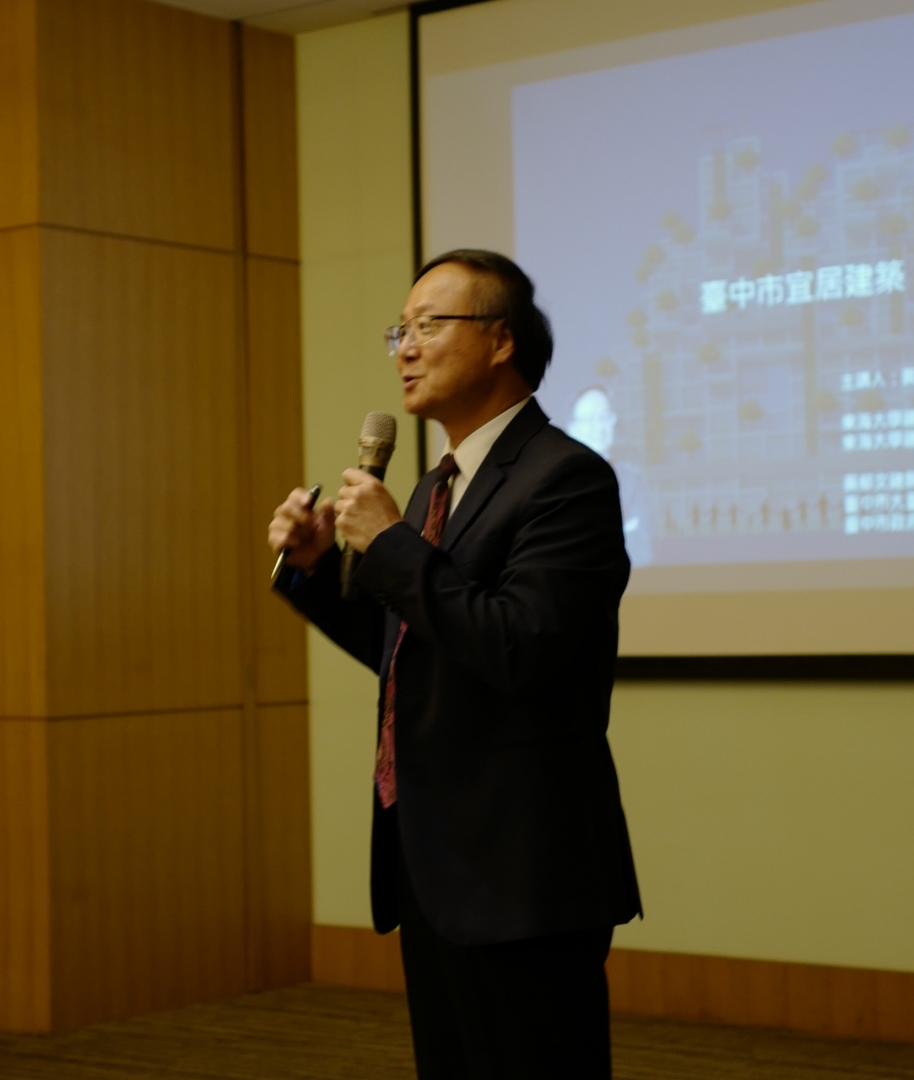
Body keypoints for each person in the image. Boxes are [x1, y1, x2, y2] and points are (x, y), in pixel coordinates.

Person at [268, 250, 640, 1078]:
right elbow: (410, 651)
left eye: (429, 326)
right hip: (434, 858)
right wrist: (316, 571)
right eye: (399, 330)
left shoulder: (565, 479)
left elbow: (519, 647)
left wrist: (393, 546)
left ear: (501, 341)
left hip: (520, 867)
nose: (404, 348)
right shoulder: (440, 484)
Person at [568, 386, 653, 566]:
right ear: (572, 428)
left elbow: (642, 549)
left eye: (604, 417)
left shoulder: (633, 480)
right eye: (590, 419)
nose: (599, 427)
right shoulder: (554, 482)